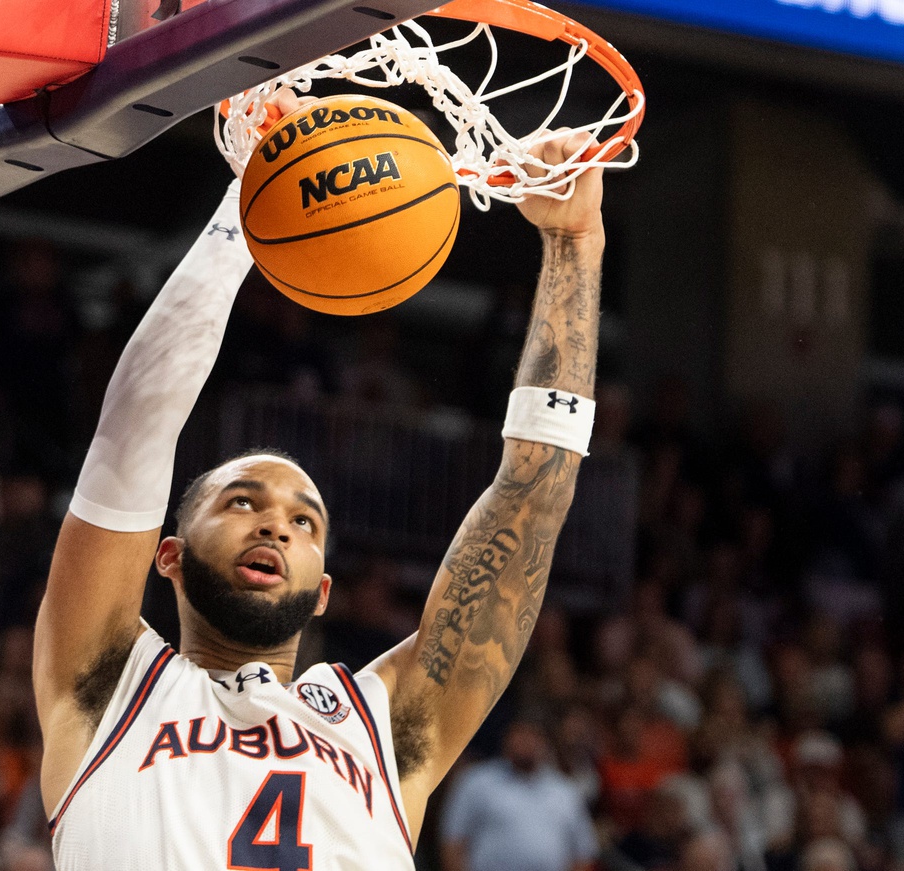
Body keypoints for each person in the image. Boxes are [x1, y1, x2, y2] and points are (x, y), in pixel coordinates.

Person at [33, 88, 606, 869]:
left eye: (305, 522)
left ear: (324, 587)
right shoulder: (105, 682)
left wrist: (575, 246)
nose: (276, 524)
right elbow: (134, 425)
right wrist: (246, 208)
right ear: (165, 554)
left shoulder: (387, 729)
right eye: (242, 501)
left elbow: (533, 498)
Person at [440, 717, 598, 871]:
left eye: (533, 736)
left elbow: (582, 853)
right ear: (506, 739)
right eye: (520, 735)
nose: (526, 742)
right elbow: (453, 841)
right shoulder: (477, 781)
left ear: (545, 742)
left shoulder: (564, 791)